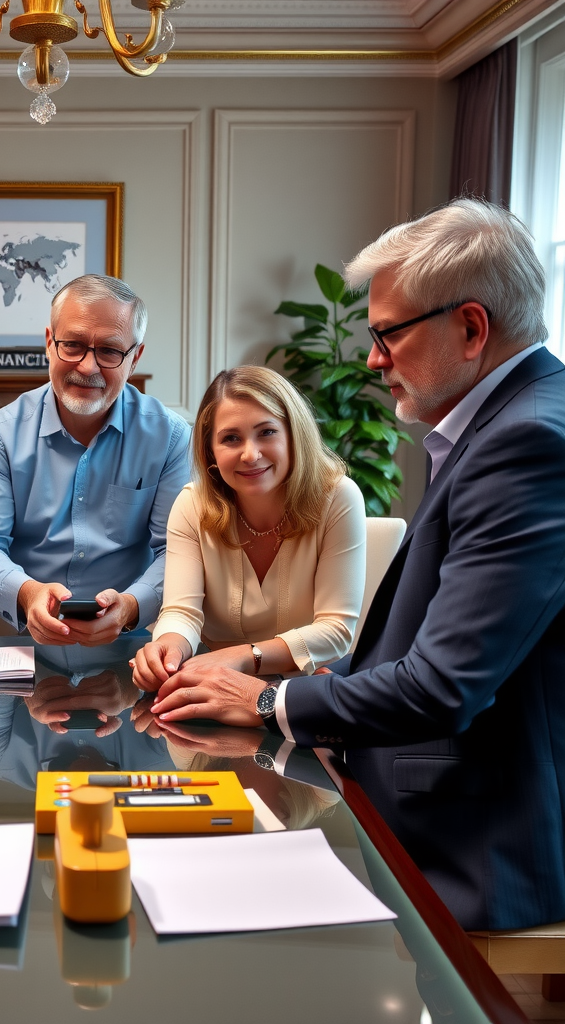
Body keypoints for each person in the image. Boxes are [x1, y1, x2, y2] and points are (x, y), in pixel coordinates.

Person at [145, 198, 565, 932]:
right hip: (417, 787)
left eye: (389, 334)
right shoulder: (510, 424)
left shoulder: (523, 445)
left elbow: (442, 685)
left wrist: (267, 701)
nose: (372, 358)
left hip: (469, 841)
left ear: (471, 328)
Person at [0, 275, 191, 645]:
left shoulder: (170, 437)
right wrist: (27, 594)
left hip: (131, 634)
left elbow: (177, 553)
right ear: (50, 343)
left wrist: (131, 606)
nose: (87, 366)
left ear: (135, 357)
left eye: (110, 351)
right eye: (73, 345)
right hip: (13, 629)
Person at [132, 365, 365, 690]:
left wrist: (245, 657)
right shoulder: (191, 506)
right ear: (210, 450)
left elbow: (336, 629)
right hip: (214, 688)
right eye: (230, 438)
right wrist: (168, 648)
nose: (250, 454)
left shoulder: (338, 497)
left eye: (267, 432)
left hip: (302, 693)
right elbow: (181, 612)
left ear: (293, 435)